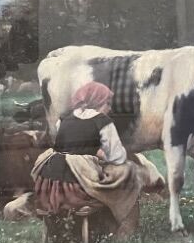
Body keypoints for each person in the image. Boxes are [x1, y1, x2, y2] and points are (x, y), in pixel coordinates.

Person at [33, 81, 127, 210]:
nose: (110, 108)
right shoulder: (102, 121)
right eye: (108, 103)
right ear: (97, 101)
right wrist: (100, 153)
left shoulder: (64, 117)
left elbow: (63, 143)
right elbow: (118, 157)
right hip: (77, 184)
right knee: (126, 170)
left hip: (50, 183)